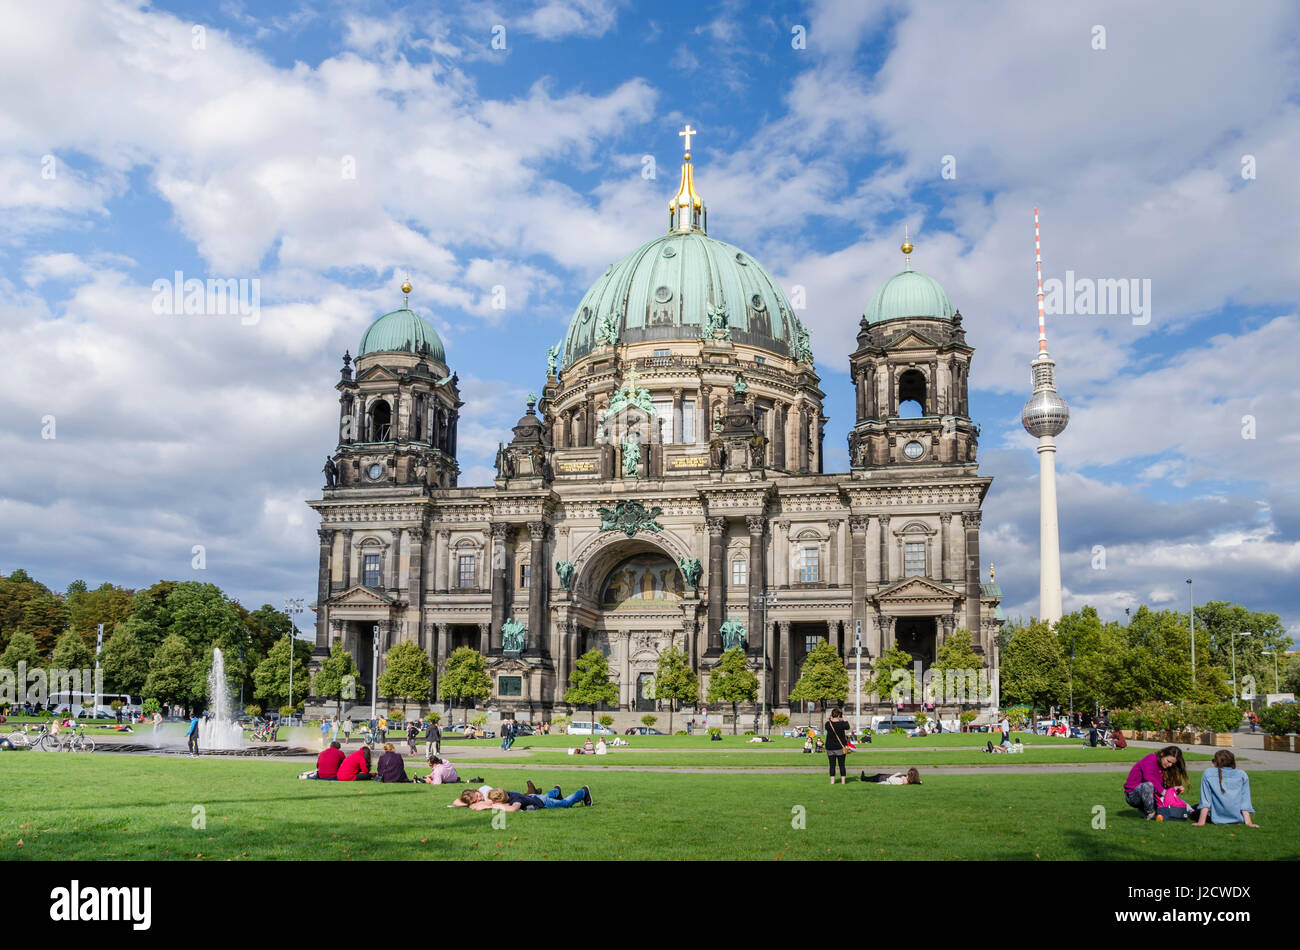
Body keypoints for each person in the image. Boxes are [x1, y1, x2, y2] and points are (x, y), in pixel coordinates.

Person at [1193, 750, 1258, 827]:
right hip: (1236, 817)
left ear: (1216, 762)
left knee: (1192, 809)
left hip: (1215, 817)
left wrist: (1201, 822)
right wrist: (1249, 822)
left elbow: (1205, 801)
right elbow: (1245, 801)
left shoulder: (1208, 773)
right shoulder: (1242, 774)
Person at [1124, 746, 1184, 819]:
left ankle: (1192, 812)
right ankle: (1150, 813)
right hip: (1132, 795)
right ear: (1162, 754)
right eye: (1168, 761)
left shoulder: (1164, 767)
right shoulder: (1151, 758)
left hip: (1150, 796)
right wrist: (1164, 792)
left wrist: (1173, 790)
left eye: (1172, 763)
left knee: (1180, 805)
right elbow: (1148, 777)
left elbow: (1161, 787)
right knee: (1148, 785)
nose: (1170, 765)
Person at [824, 707, 851, 786]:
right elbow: (848, 727)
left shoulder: (828, 724)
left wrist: (830, 719)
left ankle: (832, 782)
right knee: (841, 765)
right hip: (840, 747)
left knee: (832, 765)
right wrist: (844, 719)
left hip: (830, 747)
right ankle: (843, 782)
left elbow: (827, 725)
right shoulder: (842, 724)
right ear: (839, 715)